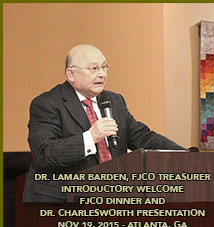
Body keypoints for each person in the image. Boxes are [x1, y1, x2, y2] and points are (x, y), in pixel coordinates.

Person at [23, 44, 185, 202]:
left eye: (104, 67)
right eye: (94, 69)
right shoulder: (47, 103)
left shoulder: (114, 101)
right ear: (71, 74)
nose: (101, 74)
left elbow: (143, 137)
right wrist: (90, 138)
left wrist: (185, 155)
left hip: (109, 198)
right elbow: (44, 153)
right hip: (60, 201)